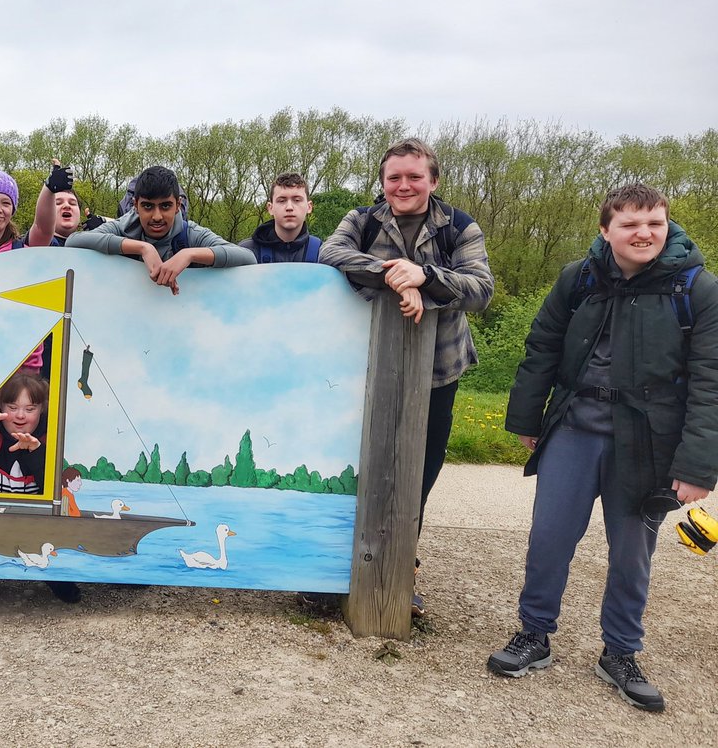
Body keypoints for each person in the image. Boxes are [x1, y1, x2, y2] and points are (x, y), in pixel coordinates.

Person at [487, 183, 717, 712]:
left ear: (666, 225)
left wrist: (698, 465)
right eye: (631, 224)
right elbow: (542, 344)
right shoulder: (579, 278)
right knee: (548, 537)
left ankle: (620, 651)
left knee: (632, 554)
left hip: (647, 441)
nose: (645, 234)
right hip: (574, 428)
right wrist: (527, 416)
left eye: (655, 223)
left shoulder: (697, 289)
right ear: (605, 230)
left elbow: (711, 380)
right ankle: (533, 635)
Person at [320, 137, 493, 614]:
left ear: (432, 181)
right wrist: (398, 273)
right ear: (382, 182)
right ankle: (342, 567)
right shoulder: (361, 220)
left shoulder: (460, 226)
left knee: (420, 472)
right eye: (393, 177)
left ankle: (400, 569)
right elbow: (331, 255)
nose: (403, 185)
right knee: (359, 465)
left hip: (439, 370)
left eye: (414, 176)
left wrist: (428, 279)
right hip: (367, 367)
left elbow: (481, 288)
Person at [0, 372, 81, 605]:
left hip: (39, 524)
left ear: (41, 409)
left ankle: (58, 578)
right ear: (1, 406)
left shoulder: (51, 436)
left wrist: (35, 452)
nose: (20, 415)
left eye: (30, 409)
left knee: (67, 593)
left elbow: (55, 488)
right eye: (12, 407)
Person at [66, 165, 256, 293]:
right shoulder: (122, 227)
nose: (157, 216)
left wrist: (188, 255)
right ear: (136, 205)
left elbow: (248, 258)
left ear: (177, 205)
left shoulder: (191, 235)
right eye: (148, 206)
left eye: (165, 206)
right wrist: (142, 248)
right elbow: (73, 241)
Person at [239, 172, 322, 263]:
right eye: (282, 201)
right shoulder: (246, 252)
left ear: (309, 207)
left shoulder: (322, 253)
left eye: (297, 200)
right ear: (270, 208)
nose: (289, 207)